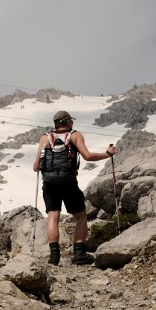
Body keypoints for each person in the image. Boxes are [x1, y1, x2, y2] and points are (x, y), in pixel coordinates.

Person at [33, 111, 117, 265]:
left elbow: (36, 166)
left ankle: (54, 257)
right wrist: (108, 153)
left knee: (53, 217)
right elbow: (88, 156)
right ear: (68, 122)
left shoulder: (45, 138)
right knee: (80, 216)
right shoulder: (75, 135)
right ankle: (79, 254)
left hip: (49, 183)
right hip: (68, 182)